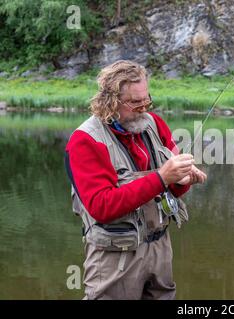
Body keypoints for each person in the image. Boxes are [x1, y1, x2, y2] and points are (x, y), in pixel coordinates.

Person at [64, 60, 207, 300]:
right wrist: (162, 177)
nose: (144, 108)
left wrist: (182, 180)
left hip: (160, 248)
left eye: (146, 100)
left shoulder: (155, 124)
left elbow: (171, 188)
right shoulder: (84, 141)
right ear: (111, 101)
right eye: (135, 102)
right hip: (114, 257)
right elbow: (102, 206)